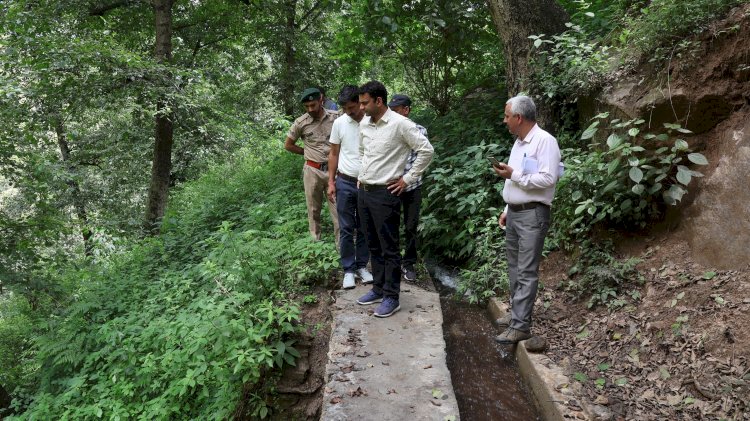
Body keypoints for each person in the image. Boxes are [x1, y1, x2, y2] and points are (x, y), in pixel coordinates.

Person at [355, 81, 434, 318]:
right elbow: (362, 152)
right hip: (365, 191)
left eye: (365, 102)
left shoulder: (401, 124)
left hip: (386, 193)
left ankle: (392, 296)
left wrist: (407, 180)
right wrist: (361, 176)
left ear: (379, 101)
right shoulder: (365, 124)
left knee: (389, 248)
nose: (361, 107)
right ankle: (378, 289)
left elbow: (426, 150)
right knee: (373, 244)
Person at [493, 95, 561, 344]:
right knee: (514, 268)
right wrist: (507, 208)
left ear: (519, 118)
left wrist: (515, 174)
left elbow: (548, 179)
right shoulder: (519, 143)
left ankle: (521, 326)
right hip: (516, 212)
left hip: (534, 214)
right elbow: (516, 181)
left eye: (507, 116)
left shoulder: (545, 142)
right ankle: (515, 316)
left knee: (526, 270)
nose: (505, 121)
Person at [327, 85, 374, 289]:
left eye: (353, 107)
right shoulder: (339, 123)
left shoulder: (372, 121)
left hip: (366, 183)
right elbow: (334, 153)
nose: (350, 112)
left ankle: (362, 266)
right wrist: (330, 181)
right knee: (346, 228)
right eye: (345, 108)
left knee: (364, 226)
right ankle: (348, 269)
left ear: (360, 103)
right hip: (344, 181)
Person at [284, 87, 340, 245]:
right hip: (312, 171)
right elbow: (288, 145)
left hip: (333, 170)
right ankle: (315, 243)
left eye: (313, 105)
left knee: (338, 209)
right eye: (307, 107)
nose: (310, 109)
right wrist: (306, 152)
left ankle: (342, 246)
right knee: (313, 210)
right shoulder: (301, 123)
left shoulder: (336, 118)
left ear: (321, 100)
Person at [387, 94, 426, 282]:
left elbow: (421, 157)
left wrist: (406, 180)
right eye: (391, 110)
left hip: (412, 186)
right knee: (390, 224)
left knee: (411, 226)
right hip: (391, 185)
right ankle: (392, 261)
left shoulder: (419, 130)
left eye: (396, 110)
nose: (393, 113)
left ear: (406, 110)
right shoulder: (386, 129)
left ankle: (408, 262)